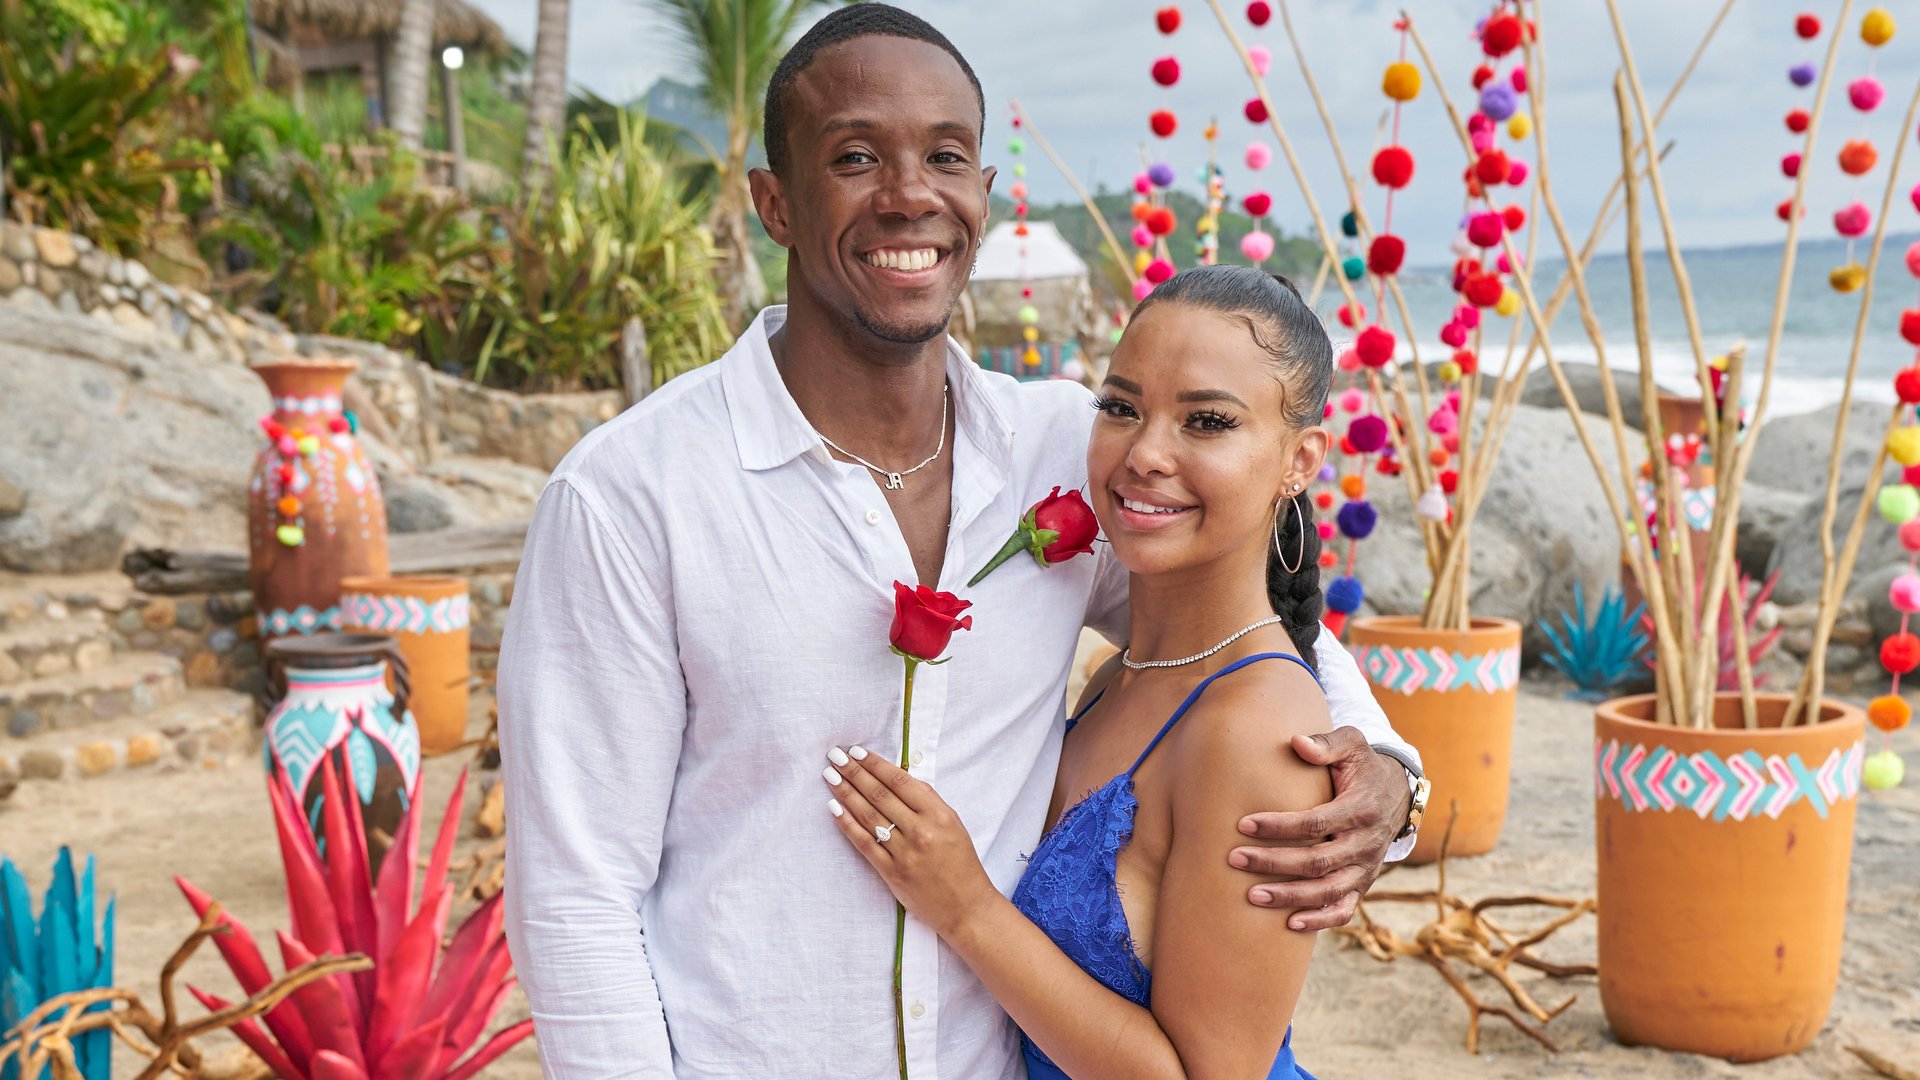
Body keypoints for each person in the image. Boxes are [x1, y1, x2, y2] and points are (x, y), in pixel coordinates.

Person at [497, 7, 1426, 1077]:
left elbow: (1232, 631)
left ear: (982, 193)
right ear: (774, 202)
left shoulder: (1069, 450)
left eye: (945, 157)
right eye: (855, 157)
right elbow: (576, 896)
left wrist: (1383, 768)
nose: (910, 194)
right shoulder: (630, 497)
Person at [824, 264, 1337, 1078]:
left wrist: (966, 908)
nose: (1146, 453)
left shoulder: (1257, 734)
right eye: (1121, 408)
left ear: (1299, 460)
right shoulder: (1115, 675)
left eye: (1207, 421)